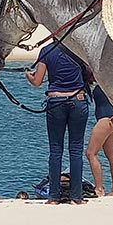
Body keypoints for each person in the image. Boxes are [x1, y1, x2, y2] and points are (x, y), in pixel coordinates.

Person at [26, 41, 89, 204]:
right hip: (78, 98)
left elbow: (38, 81)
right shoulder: (79, 48)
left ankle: (54, 196)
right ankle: (76, 197)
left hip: (56, 100)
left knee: (55, 150)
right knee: (76, 149)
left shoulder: (47, 51)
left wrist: (29, 76)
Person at [86, 83, 113, 196]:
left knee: (90, 153)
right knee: (111, 156)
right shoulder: (102, 81)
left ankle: (99, 189)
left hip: (107, 118)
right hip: (109, 118)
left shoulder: (111, 81)